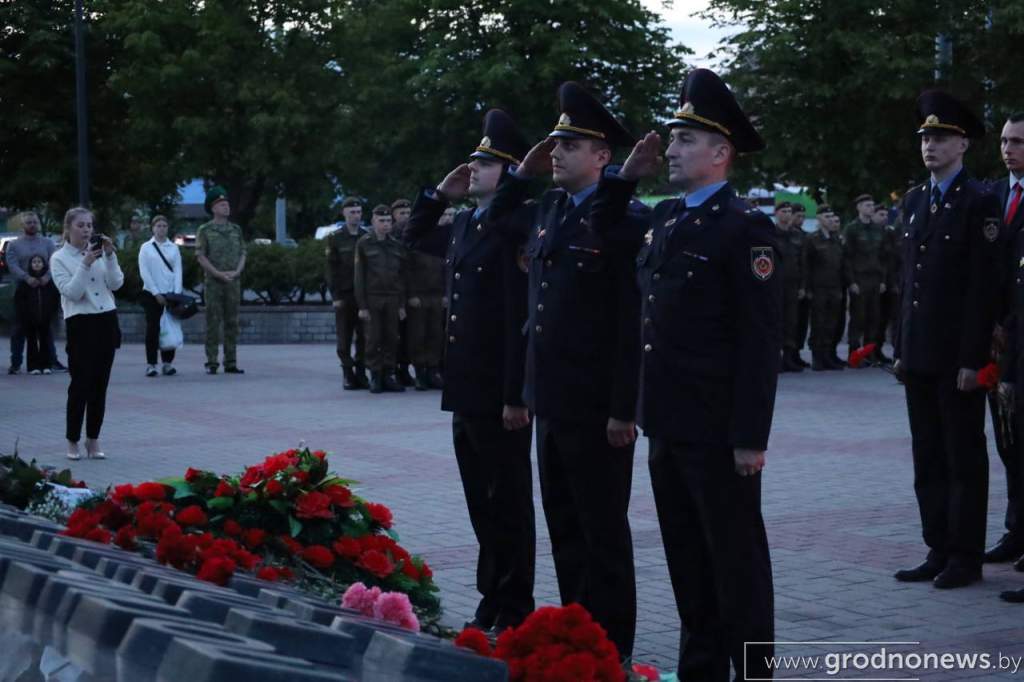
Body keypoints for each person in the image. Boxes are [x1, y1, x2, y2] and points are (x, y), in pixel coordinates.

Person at [596, 67, 781, 681]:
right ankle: (701, 668)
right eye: (672, 138)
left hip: (718, 429)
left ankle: (754, 671)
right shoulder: (667, 216)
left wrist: (751, 436)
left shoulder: (746, 228)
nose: (669, 148)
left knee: (736, 563)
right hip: (668, 423)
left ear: (721, 153)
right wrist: (626, 175)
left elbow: (759, 343)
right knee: (687, 561)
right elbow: (601, 228)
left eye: (684, 139)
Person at [486, 81, 644, 662]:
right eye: (554, 143)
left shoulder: (627, 219)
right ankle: (581, 632)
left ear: (603, 157)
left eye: (570, 145)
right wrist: (522, 176)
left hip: (599, 405)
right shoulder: (549, 208)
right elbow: (498, 220)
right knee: (564, 528)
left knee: (604, 533)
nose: (555, 152)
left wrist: (625, 407)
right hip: (550, 399)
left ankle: (614, 644)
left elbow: (631, 324)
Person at [404, 108, 535, 633]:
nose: (473, 168)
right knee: (481, 501)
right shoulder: (464, 224)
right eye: (474, 161)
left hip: (498, 394)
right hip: (465, 390)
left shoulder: (513, 227)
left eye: (485, 163)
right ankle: (491, 596)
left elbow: (515, 317)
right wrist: (439, 193)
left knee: (508, 501)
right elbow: (413, 237)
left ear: (508, 173)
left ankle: (515, 601)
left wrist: (514, 396)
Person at [892, 90, 1003, 590]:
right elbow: (909, 282)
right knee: (927, 456)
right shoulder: (915, 201)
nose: (930, 145)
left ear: (963, 145)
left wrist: (973, 359)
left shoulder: (979, 201)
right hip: (919, 353)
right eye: (925, 137)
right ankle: (937, 546)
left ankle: (965, 555)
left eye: (940, 137)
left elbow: (983, 290)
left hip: (956, 357)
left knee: (963, 457)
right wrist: (900, 347)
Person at [50, 207, 123, 461]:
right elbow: (72, 292)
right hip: (80, 324)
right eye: (80, 225)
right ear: (68, 228)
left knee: (99, 386)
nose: (86, 230)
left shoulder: (100, 254)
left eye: (89, 225)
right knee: (80, 385)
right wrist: (85, 263)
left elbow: (116, 284)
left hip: (106, 320)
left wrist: (111, 256)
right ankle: (72, 440)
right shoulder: (59, 258)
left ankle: (93, 438)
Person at [986, 112, 1024, 569]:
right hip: (999, 343)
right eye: (1003, 140)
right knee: (1008, 443)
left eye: (1017, 141)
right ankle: (1016, 530)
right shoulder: (993, 196)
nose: (1008, 148)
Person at [355, 205, 408, 393]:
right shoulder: (364, 243)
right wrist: (362, 306)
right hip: (372, 298)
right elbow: (359, 276)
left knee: (392, 338)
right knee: (373, 338)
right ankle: (375, 376)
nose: (385, 224)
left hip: (392, 298)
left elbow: (401, 277)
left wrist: (402, 304)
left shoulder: (395, 245)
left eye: (388, 221)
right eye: (381, 221)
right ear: (373, 222)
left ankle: (389, 374)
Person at [196, 186, 246, 375]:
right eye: (222, 204)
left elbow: (243, 252)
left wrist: (237, 271)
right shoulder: (205, 230)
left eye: (227, 204)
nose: (226, 207)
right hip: (214, 283)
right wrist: (217, 273)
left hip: (233, 281)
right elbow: (200, 256)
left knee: (232, 322)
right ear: (213, 208)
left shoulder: (236, 229)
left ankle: (231, 361)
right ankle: (212, 361)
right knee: (213, 322)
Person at [6, 211, 63, 374]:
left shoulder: (47, 243)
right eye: (29, 222)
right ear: (23, 225)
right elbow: (12, 264)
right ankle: (16, 362)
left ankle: (51, 361)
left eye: (34, 222)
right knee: (19, 327)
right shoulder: (14, 245)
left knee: (46, 326)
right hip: (24, 290)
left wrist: (47, 276)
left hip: (45, 289)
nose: (32, 225)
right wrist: (26, 277)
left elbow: (55, 261)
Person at [326, 197, 369, 390]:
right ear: (344, 213)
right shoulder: (335, 238)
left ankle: (360, 372)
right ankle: (347, 372)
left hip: (363, 296)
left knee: (364, 336)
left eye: (359, 212)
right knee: (344, 337)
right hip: (344, 295)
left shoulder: (366, 236)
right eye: (352, 212)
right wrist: (335, 296)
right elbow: (330, 269)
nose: (356, 216)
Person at [843, 193, 889, 366]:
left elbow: (883, 257)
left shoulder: (878, 229)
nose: (871, 208)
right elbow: (847, 258)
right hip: (859, 280)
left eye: (872, 205)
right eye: (867, 205)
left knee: (874, 318)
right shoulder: (852, 229)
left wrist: (883, 280)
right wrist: (851, 282)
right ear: (859, 208)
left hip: (875, 280)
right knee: (858, 319)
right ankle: (854, 355)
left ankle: (869, 354)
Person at [138, 214, 183, 377]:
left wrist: (176, 293)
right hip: (151, 294)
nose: (161, 229)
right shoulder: (146, 247)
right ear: (153, 228)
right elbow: (145, 272)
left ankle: (167, 363)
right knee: (153, 328)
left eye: (164, 226)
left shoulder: (174, 248)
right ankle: (151, 364)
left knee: (170, 327)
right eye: (158, 226)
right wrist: (156, 292)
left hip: (171, 294)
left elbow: (178, 270)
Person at [802, 205, 846, 371]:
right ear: (819, 219)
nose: (829, 220)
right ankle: (817, 357)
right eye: (826, 217)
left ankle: (827, 355)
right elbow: (806, 265)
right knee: (818, 323)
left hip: (834, 287)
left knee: (831, 323)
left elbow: (841, 264)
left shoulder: (836, 238)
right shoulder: (812, 239)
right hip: (818, 287)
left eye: (831, 216)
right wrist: (806, 288)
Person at [14, 255, 60, 375]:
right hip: (29, 319)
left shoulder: (49, 283)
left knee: (45, 341)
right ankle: (33, 366)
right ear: (30, 265)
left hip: (45, 317)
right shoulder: (25, 283)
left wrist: (52, 313)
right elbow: (19, 301)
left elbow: (55, 299)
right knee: (32, 342)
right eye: (34, 262)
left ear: (44, 264)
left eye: (39, 262)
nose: (37, 264)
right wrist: (24, 315)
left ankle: (46, 365)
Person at [776, 201, 806, 372]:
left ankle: (789, 357)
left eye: (789, 211)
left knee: (792, 322)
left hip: (793, 286)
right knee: (776, 322)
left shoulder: (797, 235)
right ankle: (777, 358)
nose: (787, 214)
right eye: (783, 211)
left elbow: (803, 262)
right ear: (777, 213)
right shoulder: (770, 233)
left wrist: (803, 285)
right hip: (776, 285)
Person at [391, 198, 415, 387]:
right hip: (393, 293)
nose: (405, 217)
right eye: (401, 214)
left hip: (412, 291)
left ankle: (405, 369)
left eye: (408, 213)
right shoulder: (389, 237)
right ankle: (392, 371)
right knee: (393, 335)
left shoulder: (414, 233)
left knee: (409, 335)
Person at [792, 204, 812, 363]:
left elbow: (807, 264)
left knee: (801, 322)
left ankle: (796, 353)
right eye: (797, 216)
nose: (801, 220)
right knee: (789, 322)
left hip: (803, 285)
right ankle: (787, 355)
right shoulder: (782, 234)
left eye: (803, 216)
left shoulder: (805, 236)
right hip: (788, 285)